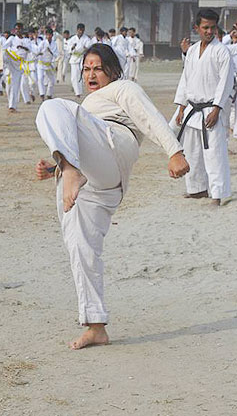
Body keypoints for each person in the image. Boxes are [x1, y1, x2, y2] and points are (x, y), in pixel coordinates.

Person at [34, 43, 189, 349]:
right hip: (95, 180)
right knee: (80, 247)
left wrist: (174, 151)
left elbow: (149, 116)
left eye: (98, 68)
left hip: (114, 142)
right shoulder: (87, 104)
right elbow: (80, 140)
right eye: (86, 69)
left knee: (51, 107)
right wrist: (55, 166)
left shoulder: (122, 88)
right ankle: (96, 326)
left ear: (113, 70)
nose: (91, 74)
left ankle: (71, 170)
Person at [174, 9, 237, 206]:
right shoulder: (192, 51)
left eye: (212, 28)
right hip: (193, 110)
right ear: (197, 28)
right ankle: (197, 189)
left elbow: (226, 82)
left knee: (214, 153)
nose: (209, 31)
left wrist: (217, 108)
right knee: (192, 152)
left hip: (210, 110)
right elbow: (186, 80)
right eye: (205, 27)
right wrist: (181, 107)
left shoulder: (222, 51)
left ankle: (217, 194)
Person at [2, 22, 32, 112]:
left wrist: (22, 47)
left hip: (19, 64)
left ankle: (12, 106)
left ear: (22, 30)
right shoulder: (12, 38)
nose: (17, 31)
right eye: (16, 29)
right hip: (11, 59)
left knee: (15, 85)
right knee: (3, 53)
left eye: (19, 29)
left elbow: (29, 50)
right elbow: (4, 46)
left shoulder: (27, 40)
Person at [67, 23, 92, 98]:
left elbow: (89, 47)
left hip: (82, 57)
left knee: (82, 74)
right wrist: (72, 47)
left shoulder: (86, 39)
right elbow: (68, 49)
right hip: (74, 58)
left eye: (82, 30)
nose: (81, 32)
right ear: (77, 30)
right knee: (74, 76)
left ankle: (81, 90)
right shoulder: (72, 39)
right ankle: (77, 92)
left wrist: (86, 48)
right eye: (80, 30)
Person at [36, 27, 59, 100]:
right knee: (40, 78)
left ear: (52, 35)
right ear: (45, 35)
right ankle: (42, 94)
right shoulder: (43, 43)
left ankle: (49, 94)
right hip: (41, 63)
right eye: (47, 35)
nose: (48, 36)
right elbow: (37, 51)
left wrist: (50, 51)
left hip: (49, 64)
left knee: (52, 80)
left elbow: (56, 54)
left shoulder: (54, 44)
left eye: (50, 35)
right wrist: (39, 53)